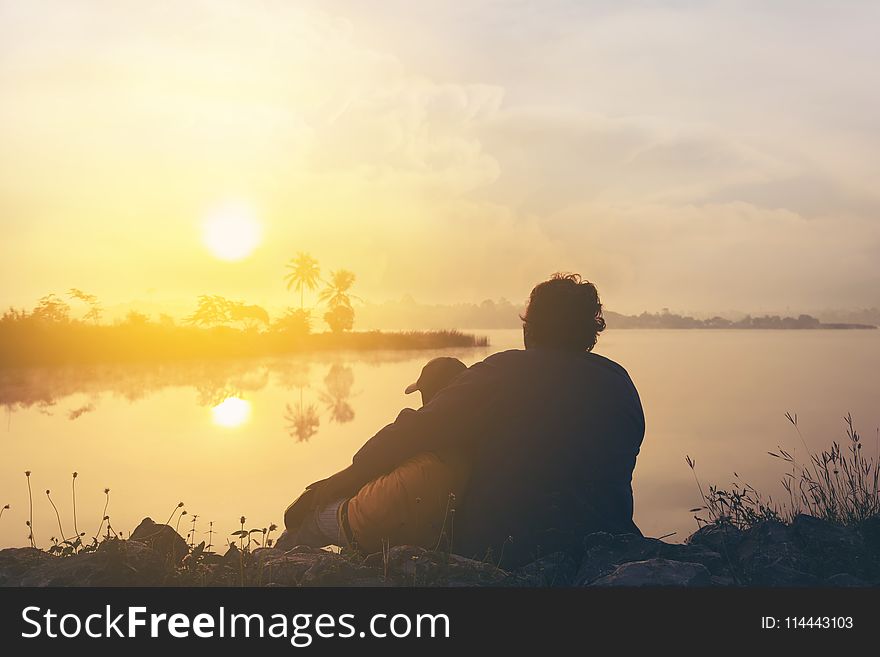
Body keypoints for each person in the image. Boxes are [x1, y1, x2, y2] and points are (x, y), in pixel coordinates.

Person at [279, 273, 645, 568]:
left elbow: (414, 432)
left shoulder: (503, 373)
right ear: (591, 333)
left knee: (423, 473)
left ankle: (285, 555)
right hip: (608, 542)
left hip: (505, 549)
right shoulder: (620, 383)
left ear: (529, 329)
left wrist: (339, 480)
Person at [277, 357, 472, 553]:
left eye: (422, 392)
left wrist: (324, 489)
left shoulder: (423, 424)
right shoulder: (471, 431)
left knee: (311, 521)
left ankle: (270, 562)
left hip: (371, 518)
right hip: (425, 528)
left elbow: (371, 459)